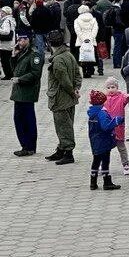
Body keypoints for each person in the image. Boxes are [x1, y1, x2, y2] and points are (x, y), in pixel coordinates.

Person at [45, 30, 82, 165]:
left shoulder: (58, 60)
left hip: (61, 98)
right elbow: (78, 74)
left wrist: (73, 91)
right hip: (69, 98)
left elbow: (64, 80)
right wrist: (77, 88)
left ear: (50, 44)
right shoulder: (68, 54)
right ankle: (61, 149)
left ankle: (68, 152)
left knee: (63, 125)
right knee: (67, 123)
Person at [10, 36, 43, 156]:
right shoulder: (22, 53)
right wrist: (14, 56)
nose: (21, 42)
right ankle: (26, 145)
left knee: (27, 120)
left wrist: (20, 79)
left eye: (24, 39)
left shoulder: (34, 54)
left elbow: (35, 73)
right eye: (19, 40)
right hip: (19, 92)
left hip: (27, 91)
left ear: (29, 40)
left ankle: (29, 146)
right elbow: (14, 70)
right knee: (19, 119)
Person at [86, 88, 122, 191]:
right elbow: (106, 126)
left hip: (94, 140)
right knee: (105, 161)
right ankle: (107, 182)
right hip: (104, 141)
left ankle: (93, 182)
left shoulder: (92, 113)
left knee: (96, 161)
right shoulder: (101, 113)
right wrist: (116, 121)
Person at [102, 77, 129, 174]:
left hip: (118, 127)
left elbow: (126, 98)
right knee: (105, 148)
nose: (111, 89)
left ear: (117, 88)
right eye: (109, 87)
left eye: (113, 87)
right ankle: (103, 166)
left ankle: (126, 164)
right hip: (107, 128)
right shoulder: (104, 98)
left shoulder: (121, 97)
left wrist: (127, 97)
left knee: (121, 147)